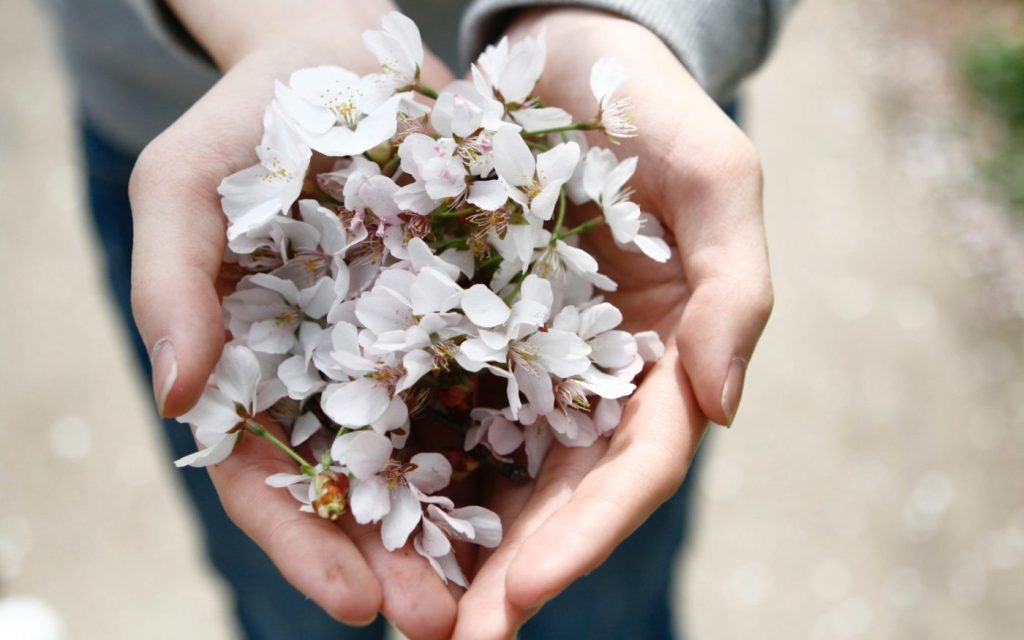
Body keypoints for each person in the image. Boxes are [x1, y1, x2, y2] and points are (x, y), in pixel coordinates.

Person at [48, 1, 789, 637]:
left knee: (600, 604)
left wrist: (625, 18)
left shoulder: (551, 201)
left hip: (620, 71)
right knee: (292, 605)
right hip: (177, 102)